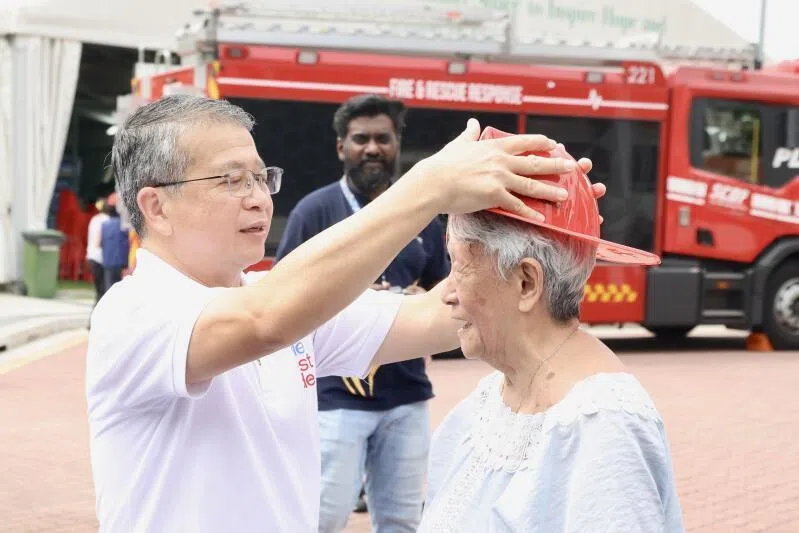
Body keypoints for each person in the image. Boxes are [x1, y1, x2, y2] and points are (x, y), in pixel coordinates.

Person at [85, 94, 603, 532]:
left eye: (261, 177)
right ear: (155, 206)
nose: (258, 198)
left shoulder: (281, 299)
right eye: (230, 180)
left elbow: (441, 314)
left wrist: (550, 239)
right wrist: (428, 187)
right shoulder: (132, 315)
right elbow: (264, 322)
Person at [416, 133, 684, 533]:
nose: (447, 294)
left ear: (526, 283)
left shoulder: (603, 427)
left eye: (459, 265)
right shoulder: (492, 399)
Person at [275, 94, 449, 533]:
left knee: (401, 522)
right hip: (335, 397)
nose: (372, 148)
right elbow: (279, 295)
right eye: (360, 139)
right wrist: (349, 295)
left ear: (396, 145)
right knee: (320, 519)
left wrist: (416, 299)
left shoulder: (422, 218)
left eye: (383, 139)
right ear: (341, 148)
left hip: (406, 396)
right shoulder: (314, 212)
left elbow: (446, 291)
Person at [99, 192, 130, 291]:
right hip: (123, 263)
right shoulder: (125, 225)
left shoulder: (104, 225)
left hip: (108, 262)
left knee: (109, 290)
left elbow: (101, 244)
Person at [85, 197, 110, 303]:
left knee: (98, 290)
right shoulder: (107, 221)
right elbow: (99, 240)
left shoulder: (94, 219)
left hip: (91, 255)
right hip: (101, 258)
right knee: (104, 290)